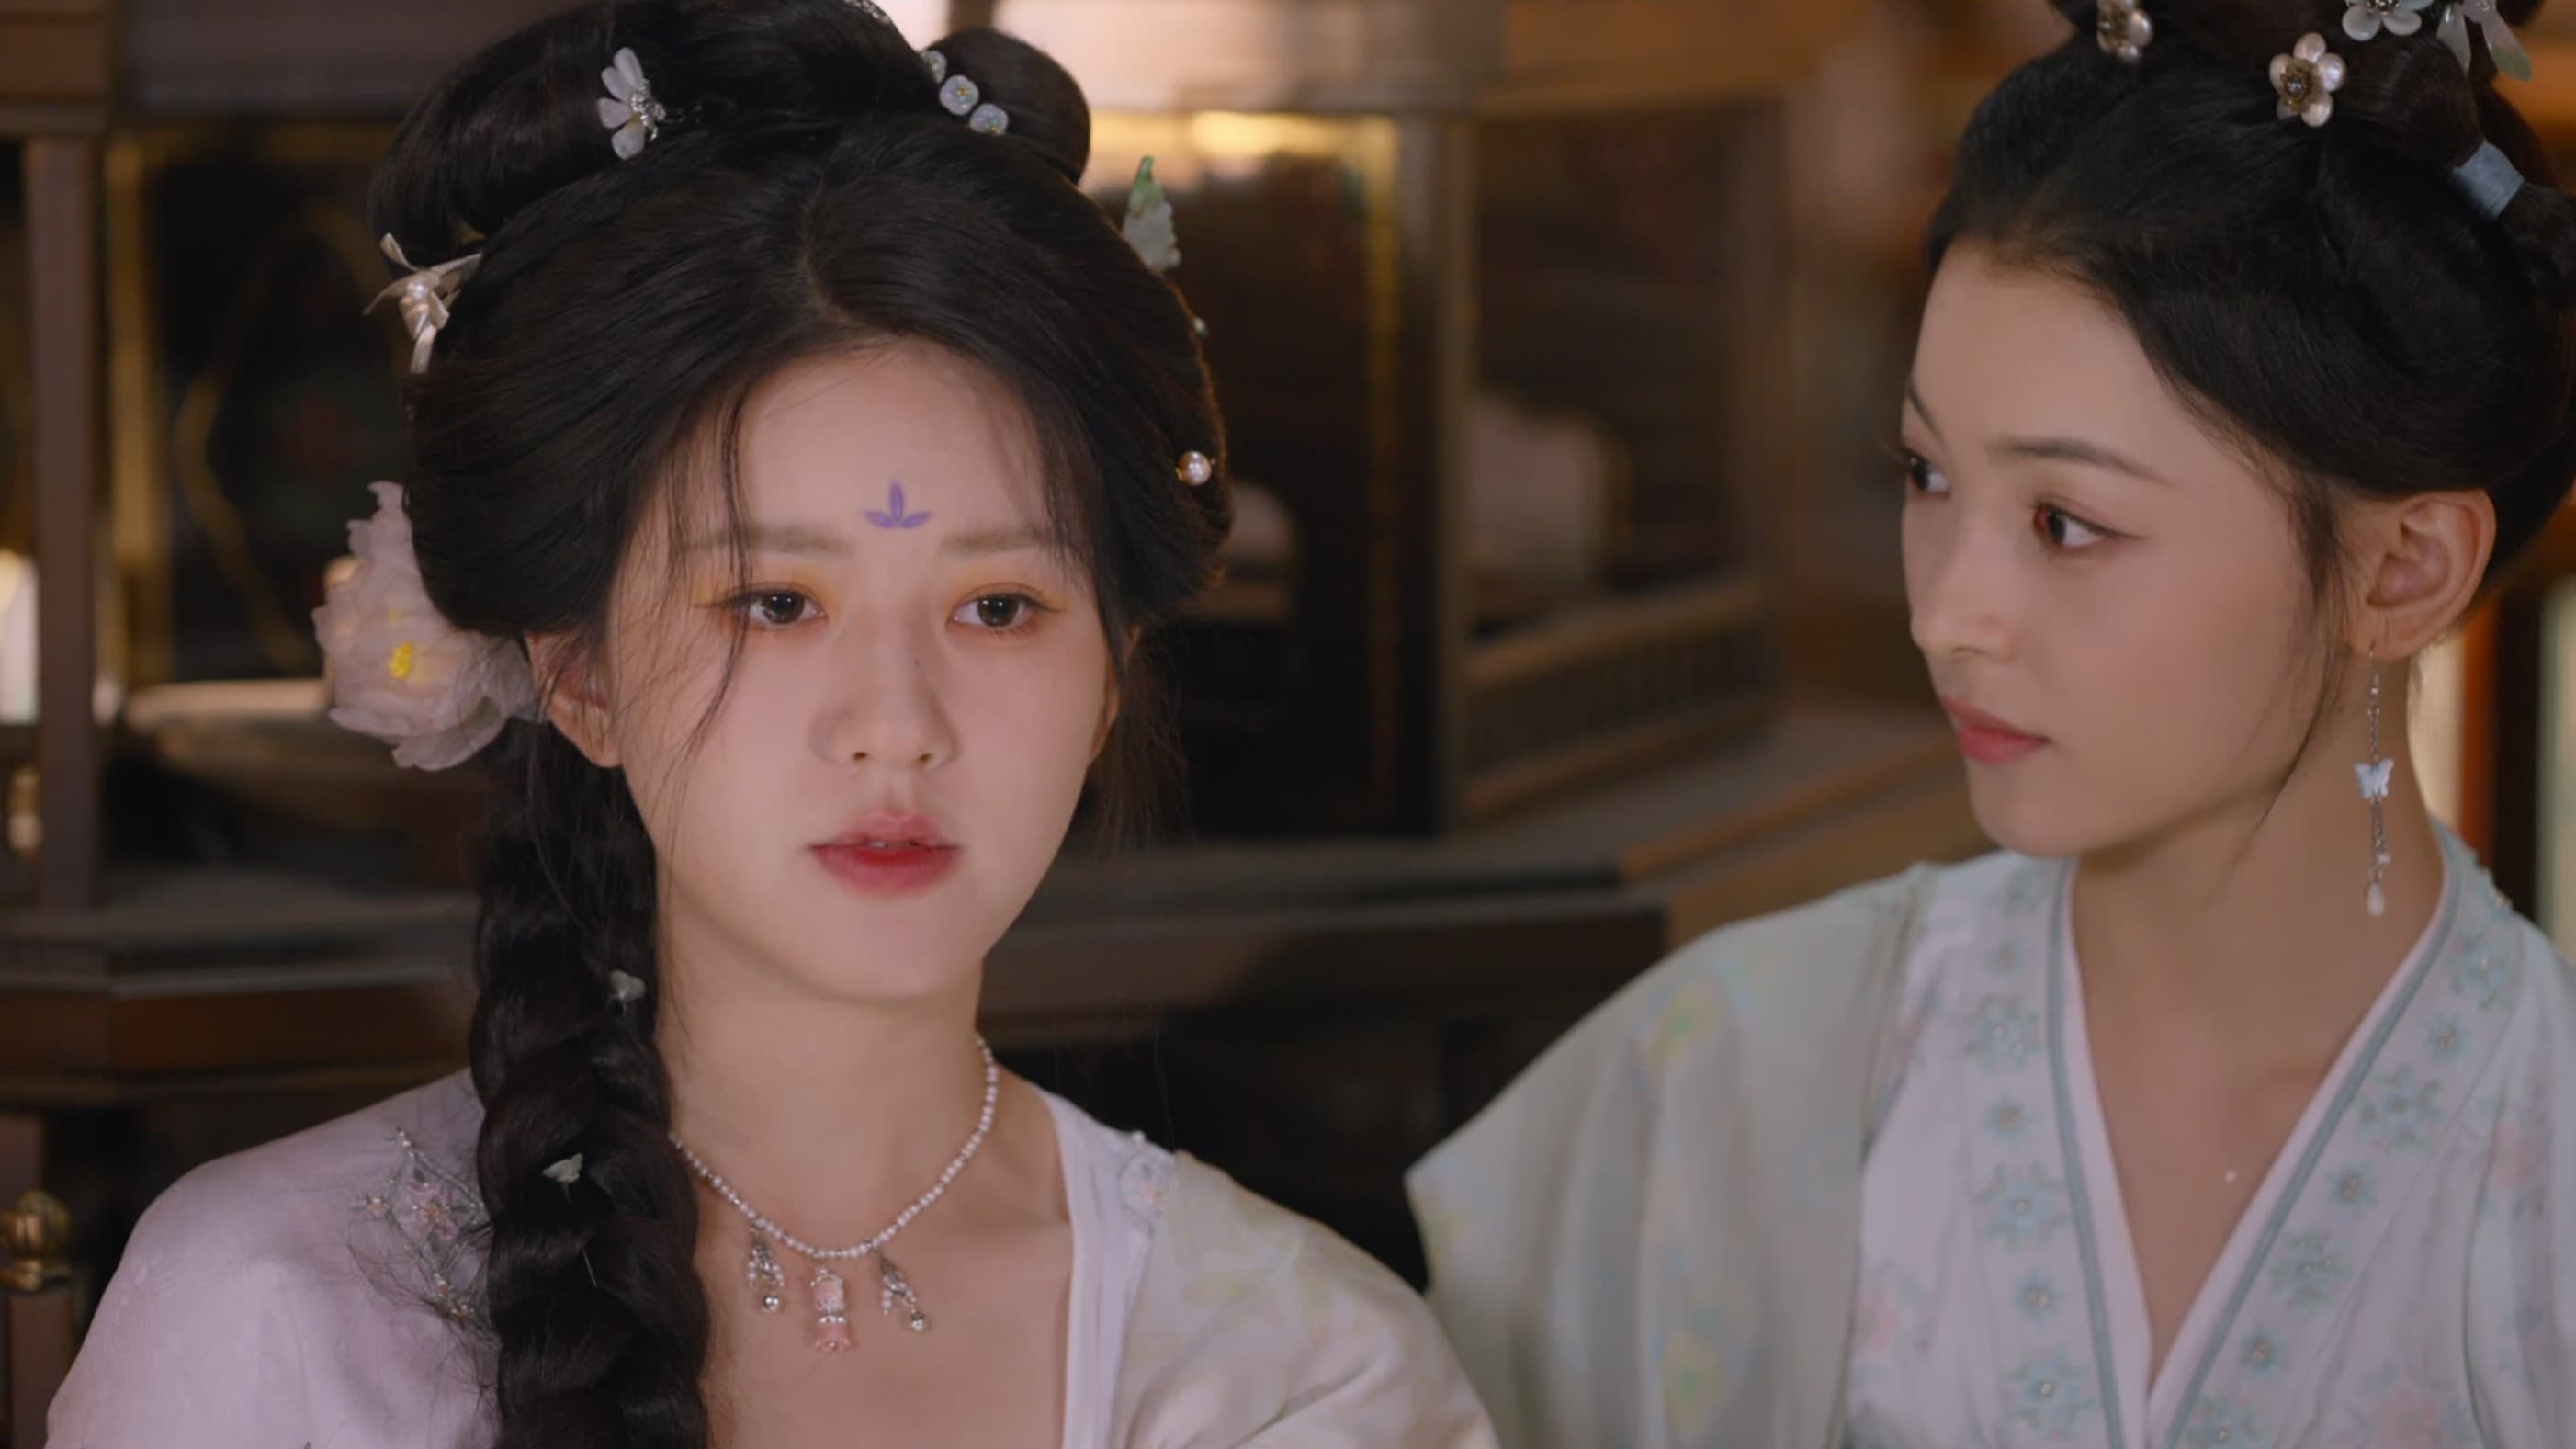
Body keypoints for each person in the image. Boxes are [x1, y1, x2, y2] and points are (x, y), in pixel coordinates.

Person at [48, 3, 1495, 1445]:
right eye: (776, 603)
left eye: (997, 606)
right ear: (580, 673)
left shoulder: (1294, 1368)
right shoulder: (271, 1316)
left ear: (1113, 672)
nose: (896, 726)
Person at [1408, 1, 2576, 1444]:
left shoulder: (2548, 1192)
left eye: (2066, 521)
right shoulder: (1729, 1082)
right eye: (1925, 475)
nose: (1947, 613)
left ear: (2402, 569)